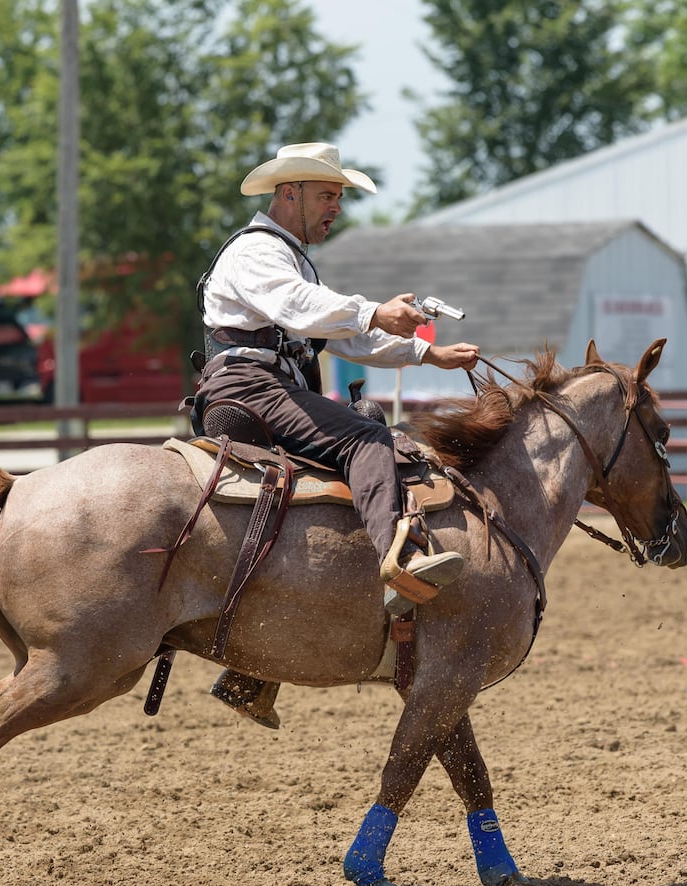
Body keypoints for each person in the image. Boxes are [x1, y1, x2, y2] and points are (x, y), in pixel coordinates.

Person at [195, 141, 481, 726]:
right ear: (288, 193)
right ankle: (399, 561)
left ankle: (253, 673)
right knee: (368, 440)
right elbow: (304, 311)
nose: (336, 208)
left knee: (355, 444)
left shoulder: (289, 258)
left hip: (258, 392)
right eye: (328, 195)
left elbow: (339, 333)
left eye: (339, 197)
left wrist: (428, 353)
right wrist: (375, 311)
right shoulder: (258, 253)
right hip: (253, 391)